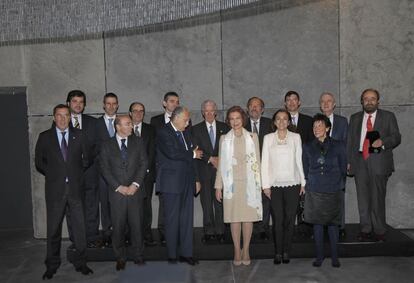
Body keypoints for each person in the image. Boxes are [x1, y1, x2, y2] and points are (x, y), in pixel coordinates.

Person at [35, 104, 93, 279]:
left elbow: (87, 159)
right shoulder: (45, 137)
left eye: (65, 115)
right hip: (55, 190)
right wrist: (55, 174)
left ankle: (81, 262)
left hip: (76, 189)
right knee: (53, 230)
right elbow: (39, 162)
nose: (62, 118)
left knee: (79, 229)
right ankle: (52, 265)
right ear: (54, 117)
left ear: (70, 117)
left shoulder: (80, 135)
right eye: (58, 115)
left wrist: (73, 173)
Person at [347, 89, 401, 242]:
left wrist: (383, 142)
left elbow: (396, 137)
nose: (369, 101)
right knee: (362, 198)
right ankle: (365, 229)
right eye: (366, 98)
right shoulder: (355, 118)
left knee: (377, 198)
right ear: (361, 101)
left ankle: (379, 230)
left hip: (379, 162)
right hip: (359, 161)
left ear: (378, 101)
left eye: (372, 98)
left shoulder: (388, 116)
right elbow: (350, 142)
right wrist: (349, 161)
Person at [215, 106, 262, 266]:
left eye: (238, 118)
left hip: (249, 184)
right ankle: (236, 250)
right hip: (231, 186)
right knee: (234, 219)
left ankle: (246, 249)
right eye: (232, 119)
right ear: (229, 121)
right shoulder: (224, 139)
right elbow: (221, 164)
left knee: (248, 219)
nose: (235, 121)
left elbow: (258, 163)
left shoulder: (252, 137)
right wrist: (218, 186)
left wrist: (261, 185)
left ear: (243, 119)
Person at [99, 115, 148, 270]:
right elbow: (104, 169)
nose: (131, 127)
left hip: (136, 192)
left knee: (137, 226)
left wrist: (135, 185)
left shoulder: (139, 142)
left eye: (131, 124)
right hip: (116, 194)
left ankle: (138, 256)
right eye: (127, 124)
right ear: (118, 127)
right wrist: (119, 187)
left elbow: (143, 164)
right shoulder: (106, 145)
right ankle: (120, 257)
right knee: (118, 227)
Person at [155, 106, 202, 265]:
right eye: (185, 120)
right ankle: (172, 255)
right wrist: (193, 153)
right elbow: (172, 153)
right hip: (171, 184)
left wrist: (196, 179)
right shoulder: (163, 132)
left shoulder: (187, 132)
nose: (188, 123)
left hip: (187, 181)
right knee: (172, 219)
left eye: (188, 120)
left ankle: (186, 253)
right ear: (176, 118)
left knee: (187, 219)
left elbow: (192, 159)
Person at [261, 109, 305, 265]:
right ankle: (278, 252)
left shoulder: (296, 137)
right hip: (274, 185)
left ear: (289, 121)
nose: (281, 121)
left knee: (289, 219)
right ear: (274, 122)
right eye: (278, 119)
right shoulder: (268, 138)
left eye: (284, 119)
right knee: (278, 220)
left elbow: (299, 161)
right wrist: (265, 185)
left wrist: (303, 183)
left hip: (293, 183)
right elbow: (264, 162)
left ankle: (287, 251)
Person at [302, 114, 347, 268]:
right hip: (315, 190)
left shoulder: (339, 145)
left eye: (320, 125)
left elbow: (343, 168)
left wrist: (339, 185)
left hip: (333, 188)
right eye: (314, 126)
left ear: (327, 128)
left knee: (334, 225)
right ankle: (319, 257)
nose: (316, 129)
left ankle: (335, 257)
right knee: (318, 225)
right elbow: (305, 168)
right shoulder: (307, 146)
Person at [192, 100, 230, 243]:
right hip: (204, 171)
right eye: (206, 111)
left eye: (211, 111)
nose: (209, 114)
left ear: (216, 112)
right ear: (202, 112)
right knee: (206, 203)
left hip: (221, 172)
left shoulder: (225, 127)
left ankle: (220, 231)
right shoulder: (195, 129)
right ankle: (208, 231)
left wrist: (220, 158)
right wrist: (210, 159)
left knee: (220, 202)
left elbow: (229, 148)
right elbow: (195, 150)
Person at [65, 90, 100, 248]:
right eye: (74, 101)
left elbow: (98, 146)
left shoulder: (93, 122)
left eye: (81, 102)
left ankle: (92, 237)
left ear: (84, 105)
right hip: (71, 174)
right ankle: (76, 240)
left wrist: (87, 162)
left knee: (92, 206)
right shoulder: (62, 121)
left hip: (90, 171)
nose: (78, 104)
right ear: (68, 104)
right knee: (72, 207)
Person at [150, 91, 183, 245]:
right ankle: (163, 234)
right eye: (171, 101)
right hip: (163, 169)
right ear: (164, 103)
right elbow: (153, 146)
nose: (174, 104)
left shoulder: (183, 119)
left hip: (179, 169)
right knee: (164, 203)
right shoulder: (155, 121)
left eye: (177, 101)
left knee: (178, 204)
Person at [284, 90, 314, 236]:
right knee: (289, 201)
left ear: (299, 102)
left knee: (304, 200)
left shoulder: (309, 121)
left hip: (304, 166)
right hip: (285, 168)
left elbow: (311, 144)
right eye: (288, 100)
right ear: (285, 103)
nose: (291, 102)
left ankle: (304, 228)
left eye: (294, 99)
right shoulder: (280, 120)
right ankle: (288, 229)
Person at [319, 92, 348, 238]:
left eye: (329, 101)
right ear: (320, 105)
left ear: (334, 104)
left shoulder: (343, 121)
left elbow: (346, 143)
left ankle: (340, 226)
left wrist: (347, 162)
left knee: (338, 197)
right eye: (323, 101)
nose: (326, 103)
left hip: (338, 166)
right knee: (322, 197)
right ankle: (324, 226)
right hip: (320, 167)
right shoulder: (316, 121)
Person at [245, 97, 273, 241]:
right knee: (250, 199)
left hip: (267, 169)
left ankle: (263, 228)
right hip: (247, 170)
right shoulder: (241, 124)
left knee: (265, 200)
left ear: (262, 109)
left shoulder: (270, 124)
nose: (254, 108)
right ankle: (251, 228)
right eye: (251, 105)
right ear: (247, 109)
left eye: (257, 106)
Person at [129, 102, 157, 246]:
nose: (138, 114)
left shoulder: (150, 130)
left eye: (141, 111)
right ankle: (132, 234)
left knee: (146, 205)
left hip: (146, 175)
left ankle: (146, 233)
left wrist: (145, 170)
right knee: (130, 205)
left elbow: (151, 153)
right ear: (130, 113)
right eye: (135, 111)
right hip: (128, 175)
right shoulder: (125, 128)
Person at [95, 92, 119, 246]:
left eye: (114, 103)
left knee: (119, 204)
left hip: (121, 173)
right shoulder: (95, 124)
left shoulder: (123, 122)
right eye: (108, 103)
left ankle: (120, 232)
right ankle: (107, 233)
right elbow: (92, 148)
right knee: (104, 203)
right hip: (102, 173)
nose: (111, 106)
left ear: (117, 105)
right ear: (103, 105)